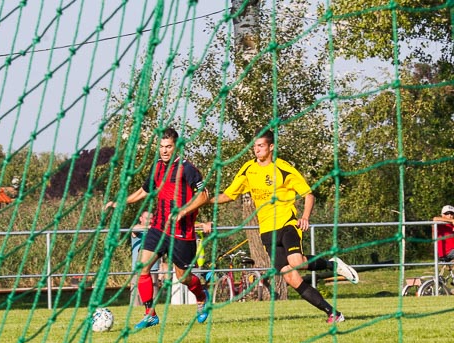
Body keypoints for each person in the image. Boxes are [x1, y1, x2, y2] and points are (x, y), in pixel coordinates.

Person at [176, 129, 358, 324]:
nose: (256, 150)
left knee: (296, 261)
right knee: (290, 277)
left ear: (271, 147)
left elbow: (308, 194)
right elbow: (229, 195)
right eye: (255, 146)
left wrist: (305, 217)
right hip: (267, 231)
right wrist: (205, 199)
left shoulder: (283, 168)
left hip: (287, 224)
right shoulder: (248, 169)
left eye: (261, 146)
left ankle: (332, 264)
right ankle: (333, 313)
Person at [105, 127, 212, 329]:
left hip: (182, 232)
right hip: (158, 228)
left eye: (168, 146)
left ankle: (201, 296)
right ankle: (150, 315)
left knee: (183, 277)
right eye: (161, 146)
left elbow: (205, 195)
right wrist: (120, 203)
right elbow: (144, 191)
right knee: (142, 267)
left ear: (177, 147)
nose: (164, 150)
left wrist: (183, 211)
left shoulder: (187, 168)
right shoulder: (157, 168)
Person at [130, 211, 161, 305]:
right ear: (141, 219)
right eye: (147, 218)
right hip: (138, 270)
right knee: (136, 301)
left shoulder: (155, 232)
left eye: (151, 218)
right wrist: (150, 227)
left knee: (153, 299)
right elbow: (134, 228)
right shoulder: (139, 230)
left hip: (153, 269)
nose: (149, 221)